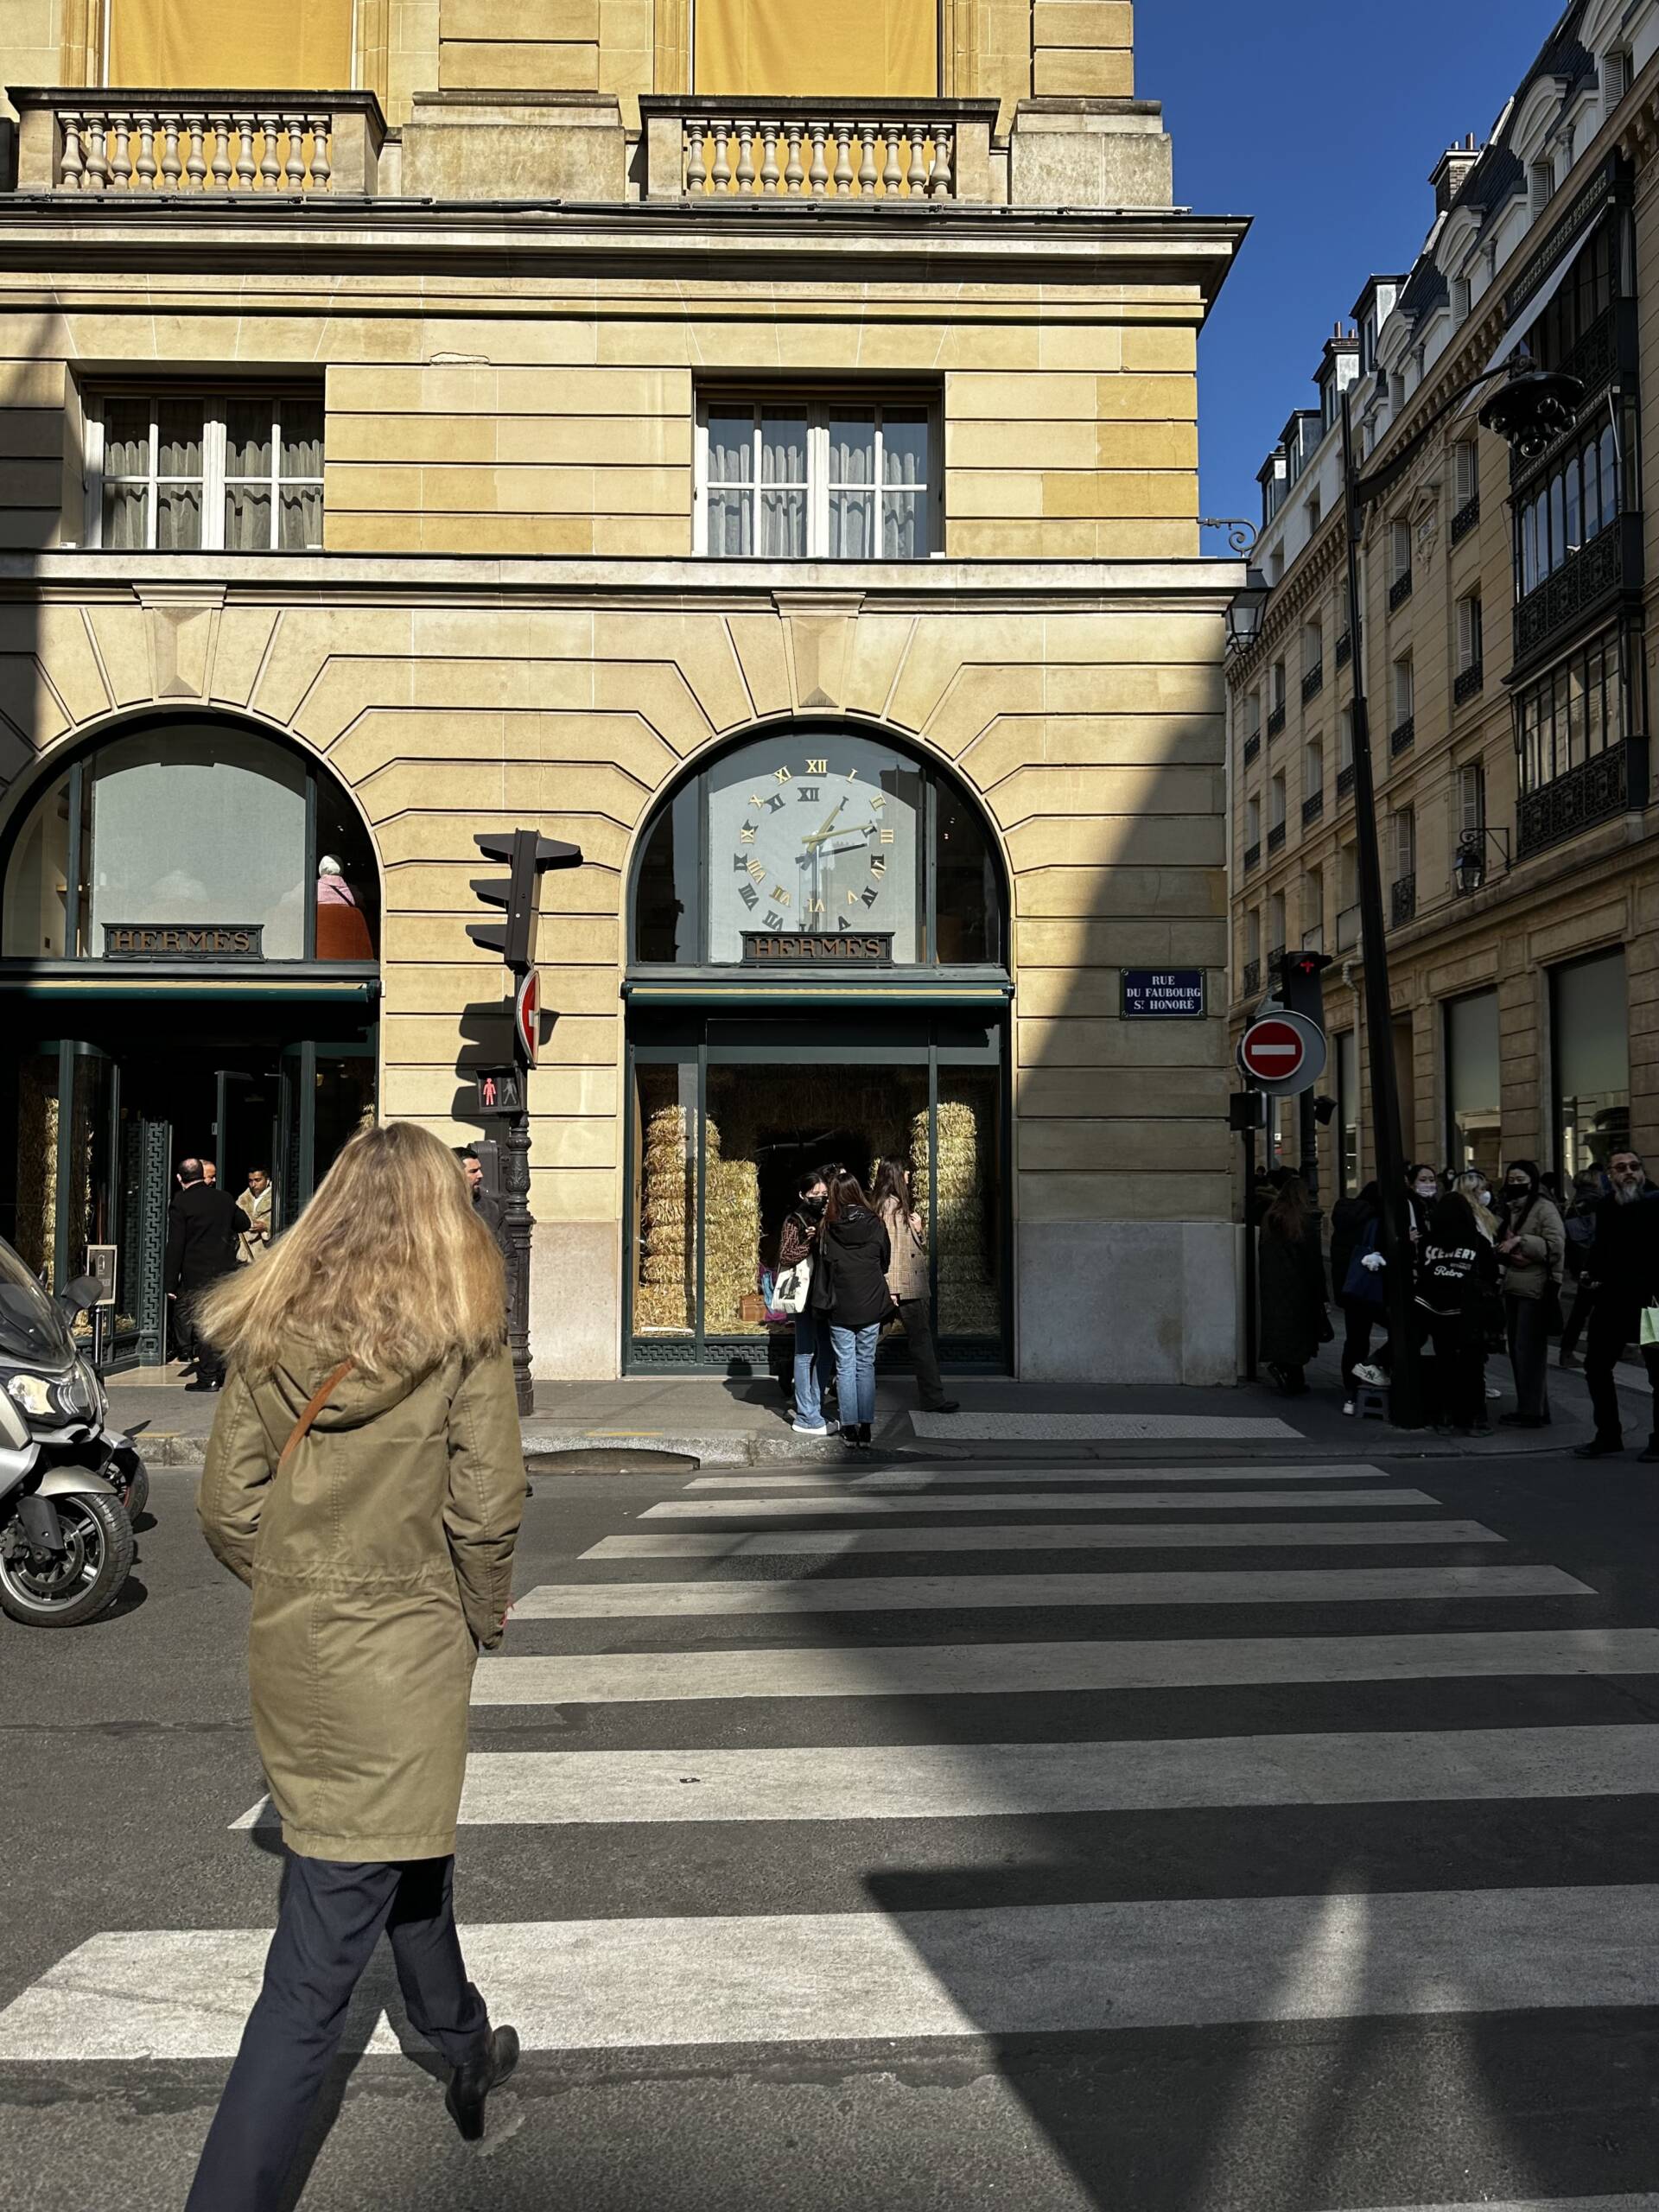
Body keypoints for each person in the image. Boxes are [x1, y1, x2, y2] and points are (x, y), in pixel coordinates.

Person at [185, 1122, 524, 2210]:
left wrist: (300, 1582)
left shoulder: (272, 1325)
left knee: (398, 1862)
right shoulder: (464, 1335)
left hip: (300, 1647)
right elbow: (486, 1507)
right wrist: (472, 1619)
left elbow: (226, 1505)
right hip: (409, 1650)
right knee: (310, 1977)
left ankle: (463, 2043)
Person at [1573, 1147, 1659, 1461]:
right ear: (1610, 1175)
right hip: (1613, 1301)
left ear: (1642, 1171)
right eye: (1621, 1167)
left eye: (1634, 1166)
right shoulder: (1607, 1205)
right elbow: (1602, 1247)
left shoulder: (1655, 1202)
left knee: (1658, 1372)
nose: (1629, 1172)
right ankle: (1608, 1434)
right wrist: (1590, 1273)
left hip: (1653, 1304)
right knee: (1596, 1366)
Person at [871, 1160, 958, 1415]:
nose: (909, 1175)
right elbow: (893, 1250)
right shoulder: (890, 1206)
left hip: (902, 1286)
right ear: (895, 1175)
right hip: (904, 1287)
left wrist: (918, 1231)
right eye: (905, 1171)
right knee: (921, 1343)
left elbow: (905, 1244)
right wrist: (894, 1289)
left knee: (867, 1341)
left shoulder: (892, 1205)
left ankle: (833, 1385)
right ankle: (933, 1398)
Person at [815, 1167, 892, 1452]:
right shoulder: (876, 1223)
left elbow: (823, 1264)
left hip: (841, 1305)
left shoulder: (828, 1226)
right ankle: (867, 1428)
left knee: (845, 1367)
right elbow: (885, 1261)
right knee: (865, 1366)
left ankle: (848, 1427)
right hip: (870, 1302)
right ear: (858, 1192)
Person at [1415, 1191, 1501, 1435]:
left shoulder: (1429, 1243)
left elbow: (1423, 1271)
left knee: (1445, 1363)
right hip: (1468, 1312)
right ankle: (1475, 1419)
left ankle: (1445, 1416)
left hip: (1437, 1311)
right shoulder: (1477, 1242)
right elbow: (1491, 1275)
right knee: (1473, 1367)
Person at [165, 1158, 250, 1391]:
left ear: (180, 1179)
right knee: (222, 1320)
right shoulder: (223, 1198)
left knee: (203, 1323)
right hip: (225, 1271)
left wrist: (170, 1283)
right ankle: (223, 1370)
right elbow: (244, 1223)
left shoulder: (180, 1203)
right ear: (203, 1175)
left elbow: (175, 1245)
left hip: (197, 1274)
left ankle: (208, 1376)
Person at [1494, 1158, 1566, 1428]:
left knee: (1529, 1351)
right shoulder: (1509, 1208)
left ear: (1532, 1181)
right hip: (1514, 1284)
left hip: (1536, 1288)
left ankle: (1532, 1411)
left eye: (1520, 1180)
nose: (1515, 1184)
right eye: (1510, 1180)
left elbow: (1556, 1245)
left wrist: (1521, 1241)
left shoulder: (1543, 1208)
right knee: (1519, 1350)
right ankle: (1533, 1407)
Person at [1255, 1173, 1328, 1395]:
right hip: (1299, 1287)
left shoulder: (1271, 1217)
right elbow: (1313, 1262)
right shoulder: (1302, 1222)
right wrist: (1322, 1294)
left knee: (1283, 1332)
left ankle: (1289, 1373)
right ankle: (1293, 1378)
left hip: (1275, 1285)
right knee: (1299, 1335)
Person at [778, 1169, 836, 1436]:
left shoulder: (830, 1217)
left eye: (824, 1194)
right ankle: (805, 1412)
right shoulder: (795, 1219)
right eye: (815, 1194)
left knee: (826, 1350)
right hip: (804, 1292)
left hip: (825, 1293)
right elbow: (786, 1255)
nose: (820, 1199)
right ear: (803, 1195)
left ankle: (815, 1402)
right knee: (804, 1352)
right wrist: (809, 1242)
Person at [1329, 1180, 1383, 1415]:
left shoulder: (1346, 1220)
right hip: (1372, 1286)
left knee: (1355, 1339)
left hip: (1351, 1288)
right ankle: (1370, 1368)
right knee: (1407, 1332)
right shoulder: (1374, 1222)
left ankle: (1351, 1387)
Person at [1558, 1168, 1606, 1369]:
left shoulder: (1573, 1206)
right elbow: (1599, 1236)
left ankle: (1567, 1350)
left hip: (1585, 1267)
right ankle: (1644, 1345)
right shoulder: (1597, 1203)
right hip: (1599, 1266)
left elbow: (1575, 1240)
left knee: (1581, 1310)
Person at [454, 1145, 506, 1249]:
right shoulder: (436, 1209)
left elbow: (508, 1253)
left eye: (479, 1169)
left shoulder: (492, 1209)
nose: (480, 1175)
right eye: (473, 1171)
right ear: (455, 1174)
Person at [236, 1166, 274, 1265]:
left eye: (257, 1180)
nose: (253, 1184)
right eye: (250, 1181)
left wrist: (266, 1227)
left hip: (265, 1254)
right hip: (244, 1256)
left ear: (267, 1180)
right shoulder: (242, 1199)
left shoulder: (277, 1198)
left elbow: (285, 1224)